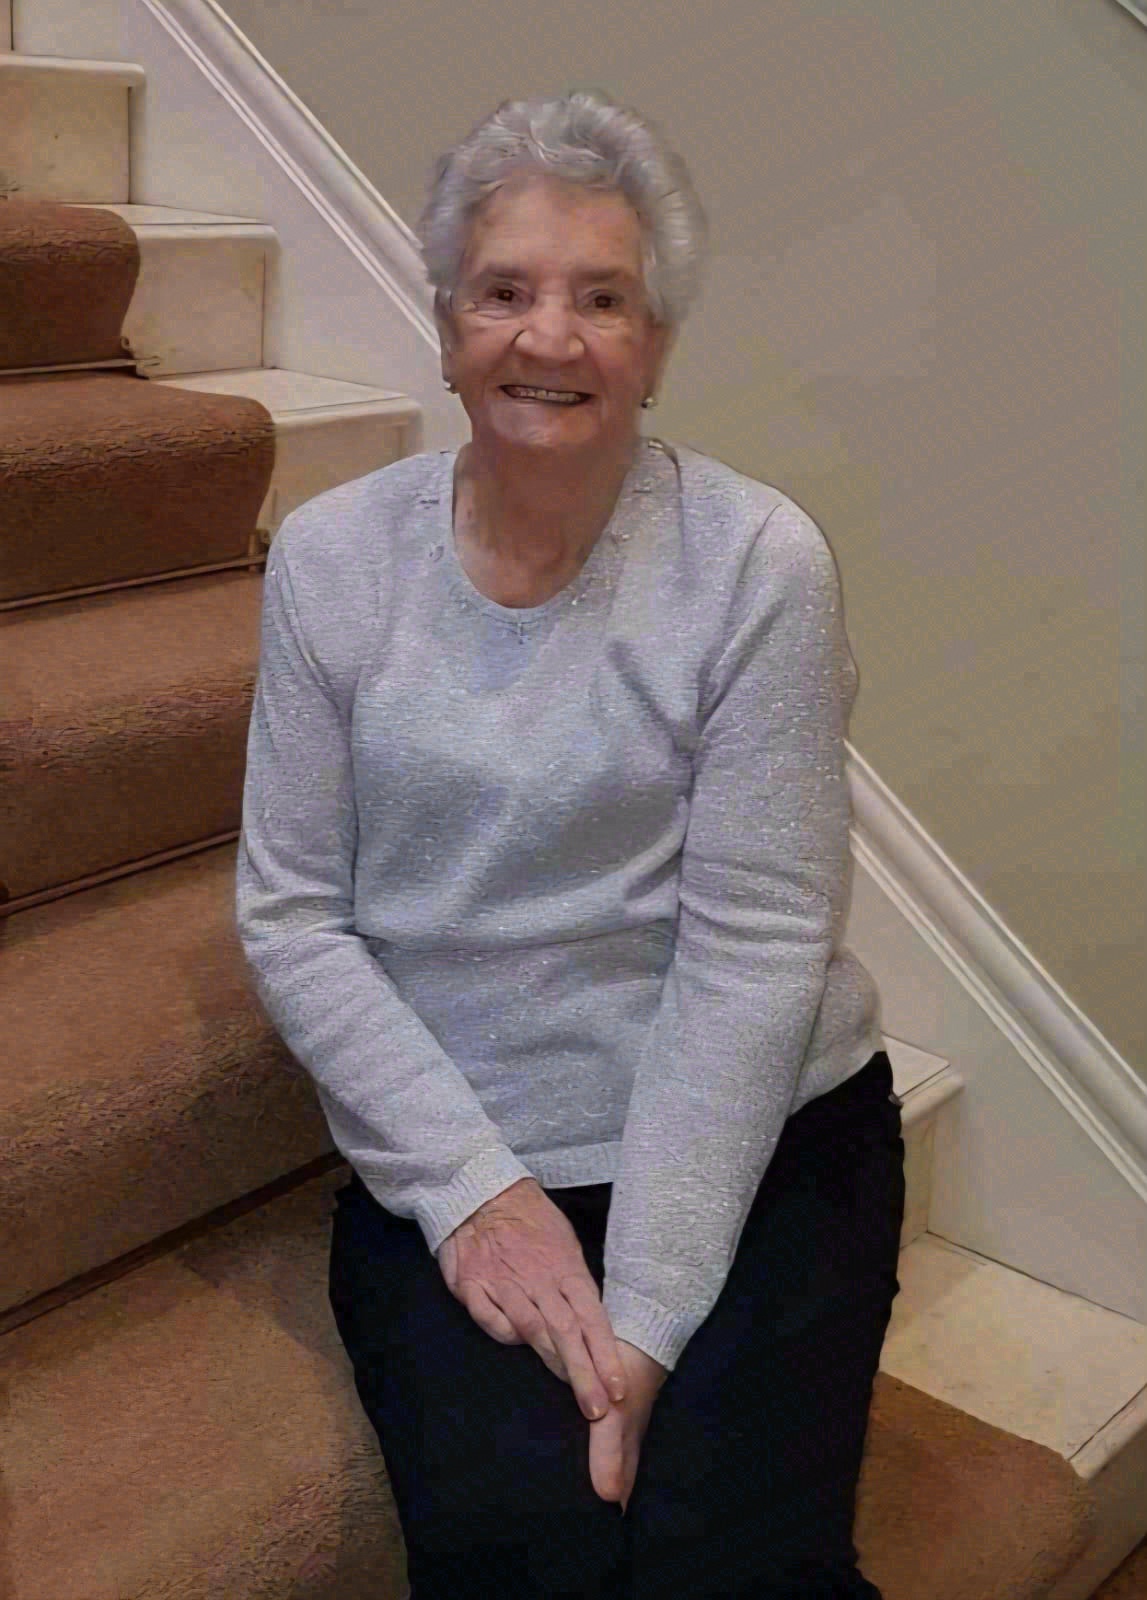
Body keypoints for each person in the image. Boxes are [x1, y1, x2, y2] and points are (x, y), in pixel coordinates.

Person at [235, 87, 905, 1600]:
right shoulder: (335, 561)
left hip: (762, 1127)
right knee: (527, 1558)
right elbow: (292, 915)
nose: (552, 336)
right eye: (505, 292)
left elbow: (755, 947)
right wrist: (473, 1189)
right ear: (445, 326)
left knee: (736, 1565)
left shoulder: (757, 565)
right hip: (469, 1139)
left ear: (656, 346)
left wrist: (648, 1311)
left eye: (603, 298)